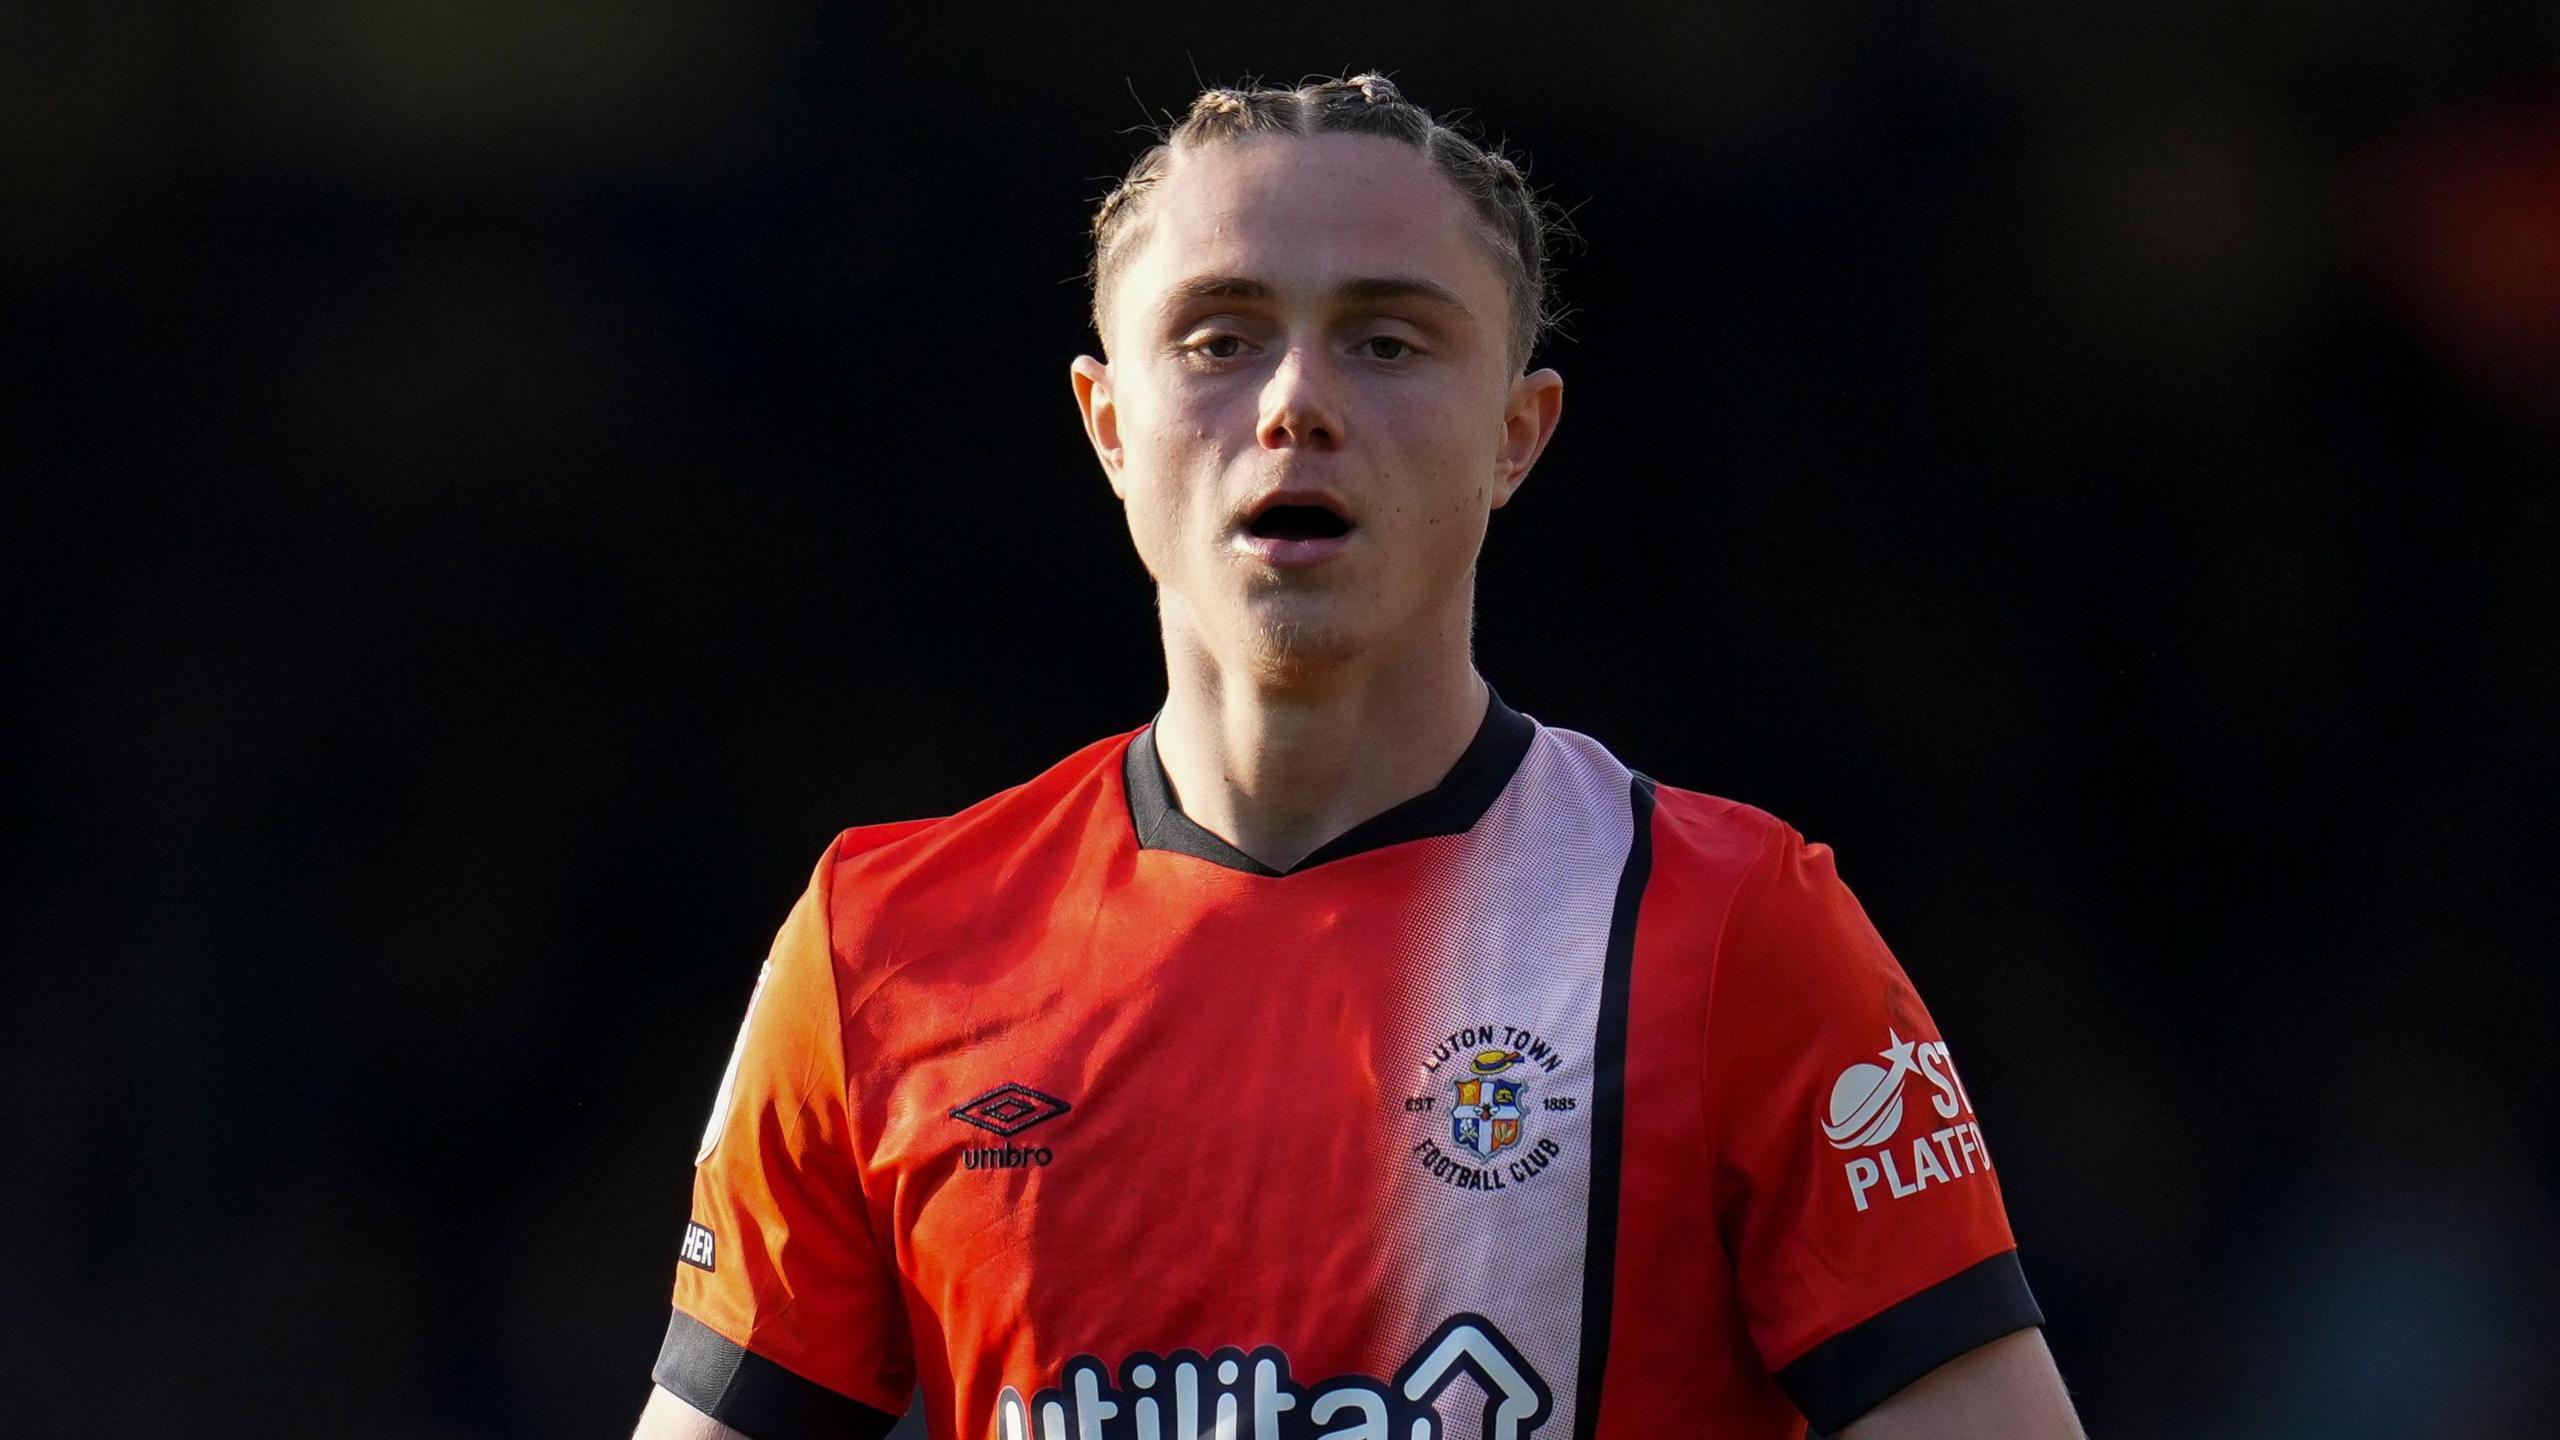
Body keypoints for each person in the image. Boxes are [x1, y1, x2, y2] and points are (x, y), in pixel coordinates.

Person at [631, 73, 2086, 1440]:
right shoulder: (883, 945)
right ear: (1108, 424)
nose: (1294, 404)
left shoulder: (1731, 929)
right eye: (1218, 338)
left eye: (1387, 341)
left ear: (1516, 437)